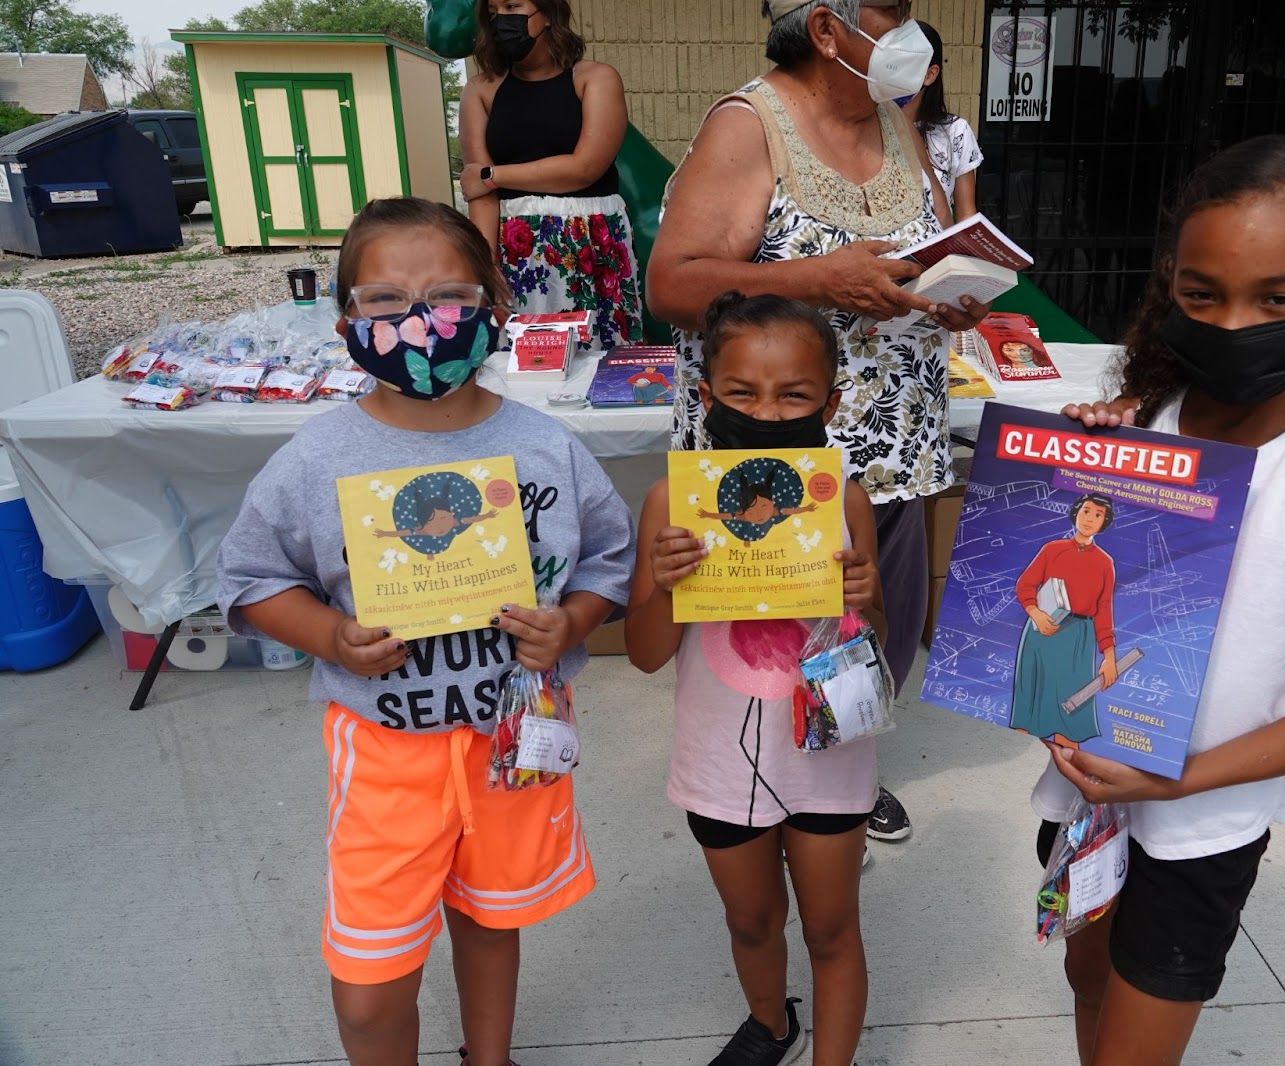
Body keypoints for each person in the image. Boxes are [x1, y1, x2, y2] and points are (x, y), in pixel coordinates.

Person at [215, 198, 635, 1066]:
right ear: (344, 324)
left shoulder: (546, 446)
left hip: (512, 743)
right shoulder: (314, 460)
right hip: (384, 753)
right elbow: (253, 581)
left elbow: (608, 562)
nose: (418, 319)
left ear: (497, 310)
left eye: (449, 296)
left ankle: (492, 1057)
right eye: (384, 301)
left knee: (490, 920)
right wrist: (330, 636)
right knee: (370, 990)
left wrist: (572, 623)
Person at [1036, 135, 1285, 1064]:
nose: (1232, 323)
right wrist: (1068, 466)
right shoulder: (1137, 430)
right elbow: (1058, 583)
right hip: (1087, 787)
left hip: (1200, 823)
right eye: (1201, 293)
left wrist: (1171, 781)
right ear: (1169, 284)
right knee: (1086, 978)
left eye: (1279, 299)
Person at [649, 0, 991, 849]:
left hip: (892, 453)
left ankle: (842, 775)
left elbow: (919, 253)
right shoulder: (748, 125)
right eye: (890, 13)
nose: (909, 34)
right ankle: (756, 794)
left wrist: (942, 296)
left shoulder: (900, 125)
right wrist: (818, 281)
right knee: (758, 655)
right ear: (827, 29)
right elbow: (673, 285)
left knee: (868, 631)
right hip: (773, 460)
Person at [626, 291, 886, 1066]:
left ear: (831, 403)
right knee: (750, 921)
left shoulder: (848, 502)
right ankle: (771, 1023)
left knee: (833, 927)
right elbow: (643, 652)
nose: (768, 413)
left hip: (829, 757)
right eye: (742, 392)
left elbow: (875, 646)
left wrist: (863, 602)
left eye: (794, 394)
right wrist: (667, 584)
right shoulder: (673, 503)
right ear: (706, 396)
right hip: (719, 760)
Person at [458, 0, 644, 352]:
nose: (503, 19)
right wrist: (486, 262)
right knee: (524, 359)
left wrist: (494, 174)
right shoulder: (481, 89)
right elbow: (477, 189)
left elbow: (585, 168)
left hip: (592, 243)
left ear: (547, 14)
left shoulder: (594, 78)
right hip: (516, 250)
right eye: (494, 11)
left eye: (513, 6)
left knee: (600, 360)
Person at [1010, 492, 1118, 744]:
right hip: (1042, 630)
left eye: (1098, 515)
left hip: (1078, 640)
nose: (1090, 519)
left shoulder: (1105, 563)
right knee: (1030, 703)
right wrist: (1035, 613)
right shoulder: (1052, 550)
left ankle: (1062, 772)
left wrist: (1109, 657)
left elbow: (1104, 609)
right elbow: (1025, 585)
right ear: (1076, 513)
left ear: (1104, 522)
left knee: (1071, 714)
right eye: (1086, 511)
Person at [899, 20, 982, 221]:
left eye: (905, 63)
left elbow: (966, 218)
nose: (894, 72)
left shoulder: (955, 132)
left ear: (930, 74)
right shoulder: (867, 125)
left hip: (934, 250)